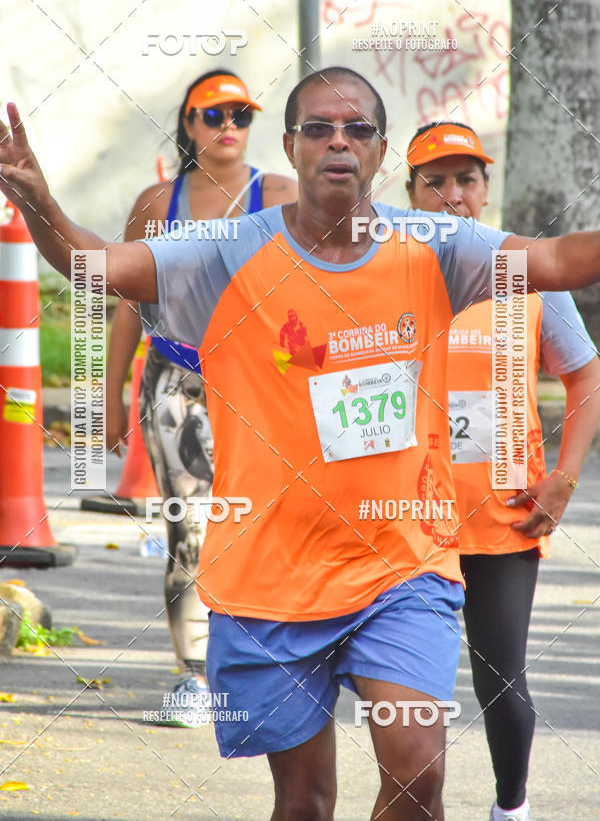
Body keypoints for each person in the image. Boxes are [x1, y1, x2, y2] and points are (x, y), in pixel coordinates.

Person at [3, 66, 600, 819]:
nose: (338, 142)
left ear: (380, 149)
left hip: (402, 566)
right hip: (270, 578)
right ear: (291, 146)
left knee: (419, 772)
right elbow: (100, 268)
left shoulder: (437, 244)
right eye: (319, 128)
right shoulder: (227, 251)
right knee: (304, 801)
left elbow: (557, 261)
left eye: (357, 129)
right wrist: (38, 199)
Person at [405, 121, 600, 821]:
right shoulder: (380, 271)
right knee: (402, 688)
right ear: (409, 194)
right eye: (434, 181)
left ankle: (510, 807)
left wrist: (564, 477)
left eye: (466, 179)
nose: (452, 195)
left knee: (500, 677)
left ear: (486, 189)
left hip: (501, 515)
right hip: (403, 518)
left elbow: (586, 376)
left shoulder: (526, 272)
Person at [105, 69, 298, 722]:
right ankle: (193, 678)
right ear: (189, 125)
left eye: (241, 115)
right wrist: (110, 398)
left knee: (260, 524)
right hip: (176, 379)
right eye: (214, 116)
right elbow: (128, 301)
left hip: (259, 384)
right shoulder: (158, 203)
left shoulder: (280, 196)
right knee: (188, 526)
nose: (229, 127)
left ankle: (257, 665)